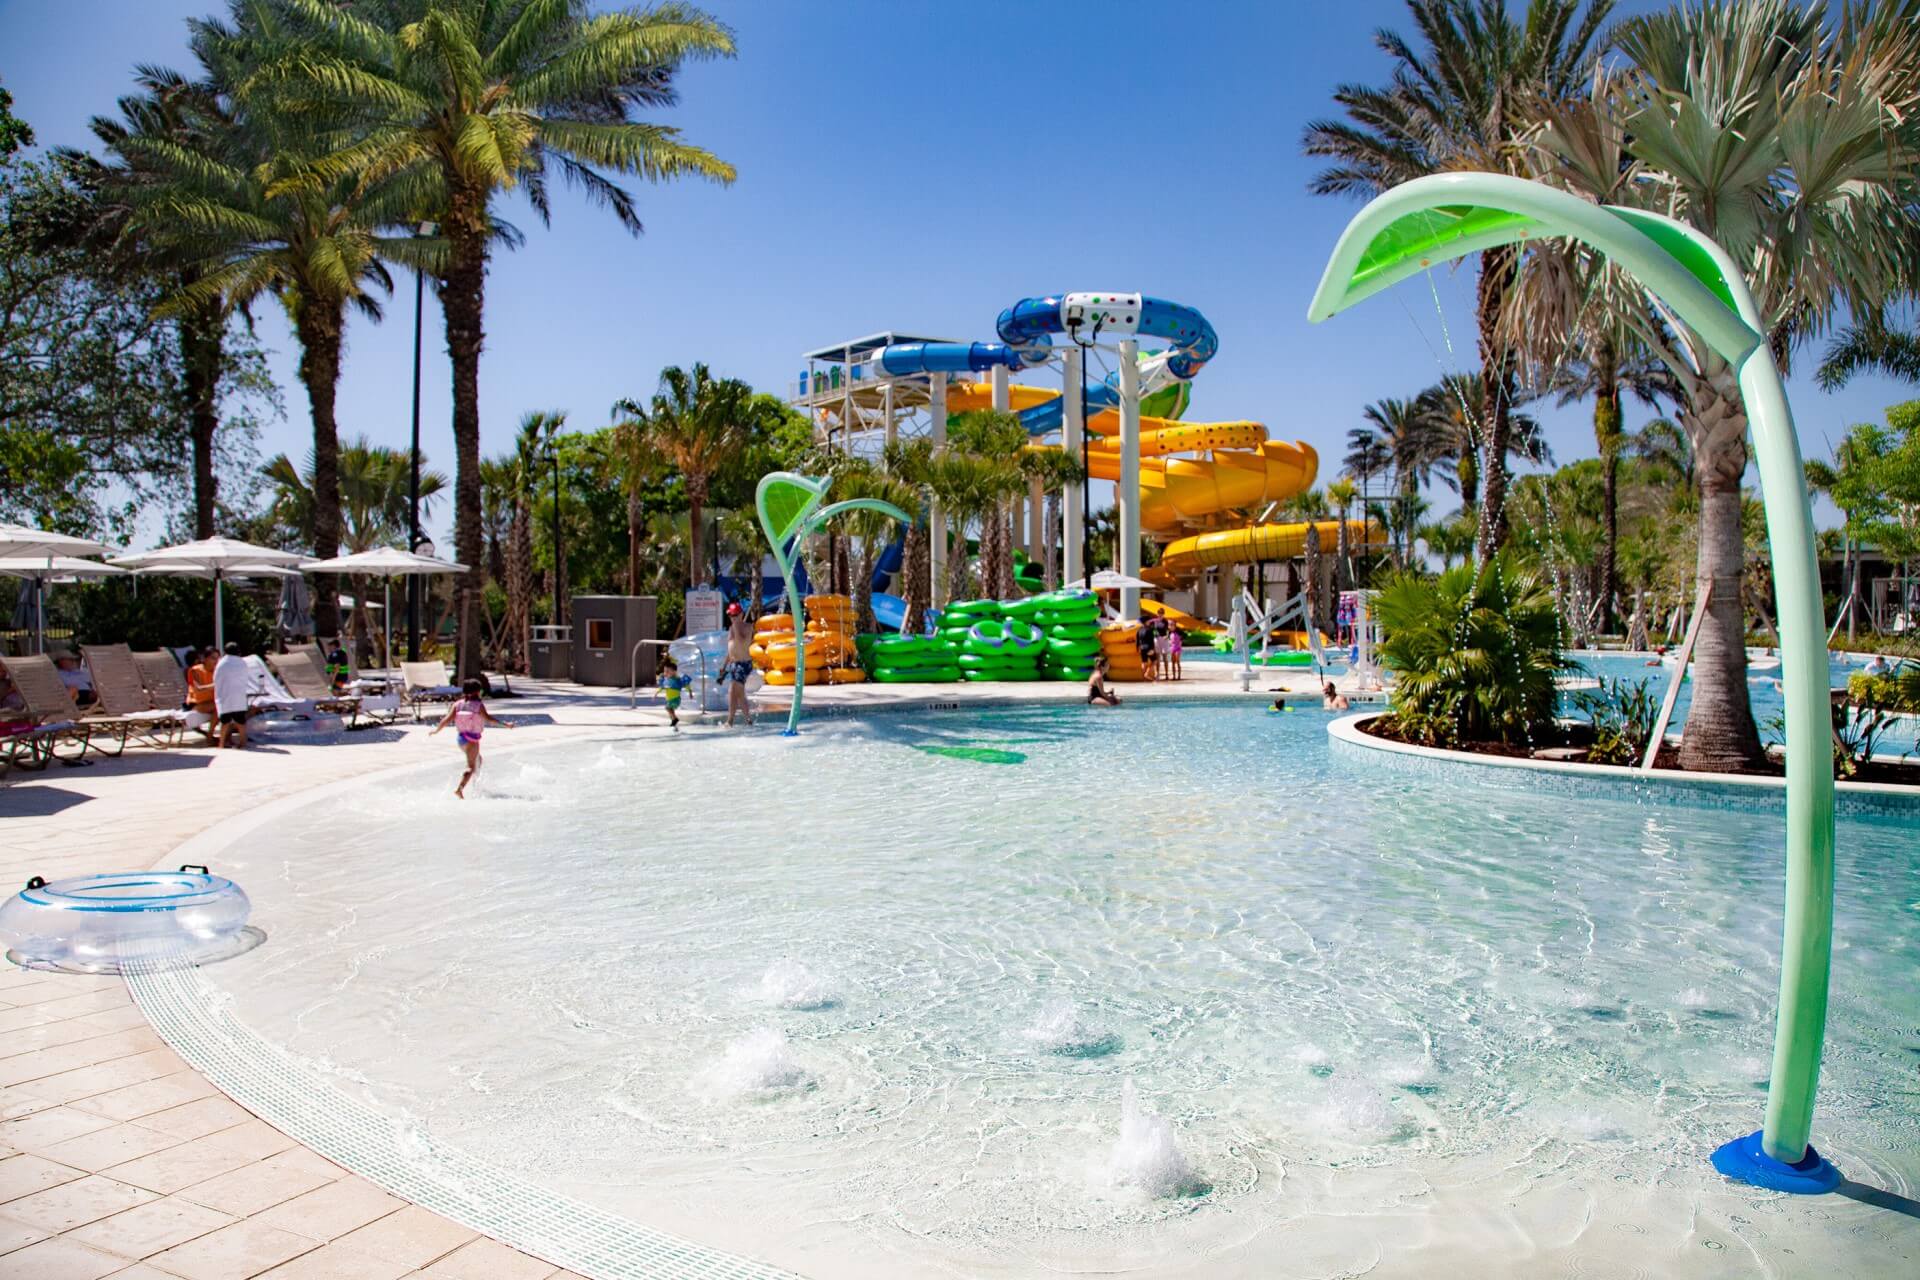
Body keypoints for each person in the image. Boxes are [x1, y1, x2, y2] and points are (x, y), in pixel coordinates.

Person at [432, 678, 514, 798]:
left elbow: (446, 720)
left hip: (461, 739)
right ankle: (459, 789)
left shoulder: (458, 704)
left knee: (478, 760)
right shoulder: (478, 706)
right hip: (472, 740)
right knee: (471, 766)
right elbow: (489, 719)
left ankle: (477, 785)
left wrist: (436, 730)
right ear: (477, 691)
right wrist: (505, 725)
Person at [211, 641, 252, 750]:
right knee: (240, 721)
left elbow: (216, 679)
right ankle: (243, 742)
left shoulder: (222, 663)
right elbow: (246, 677)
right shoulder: (242, 662)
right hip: (239, 695)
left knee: (225, 721)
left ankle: (221, 743)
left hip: (226, 695)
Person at [721, 603, 755, 726]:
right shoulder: (731, 629)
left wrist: (736, 626)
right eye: (731, 615)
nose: (733, 618)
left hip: (743, 664)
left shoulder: (748, 627)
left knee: (733, 691)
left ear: (741, 614)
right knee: (739, 694)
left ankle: (730, 721)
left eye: (735, 615)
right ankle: (748, 720)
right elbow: (731, 650)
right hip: (734, 664)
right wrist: (724, 666)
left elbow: (741, 643)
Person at [658, 656, 692, 729]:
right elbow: (662, 687)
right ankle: (675, 724)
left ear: (674, 672)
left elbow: (686, 685)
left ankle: (675, 719)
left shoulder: (677, 680)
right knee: (671, 712)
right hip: (670, 699)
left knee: (668, 708)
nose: (665, 673)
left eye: (667, 671)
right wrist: (656, 694)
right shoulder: (667, 680)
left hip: (675, 699)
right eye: (664, 671)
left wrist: (690, 692)